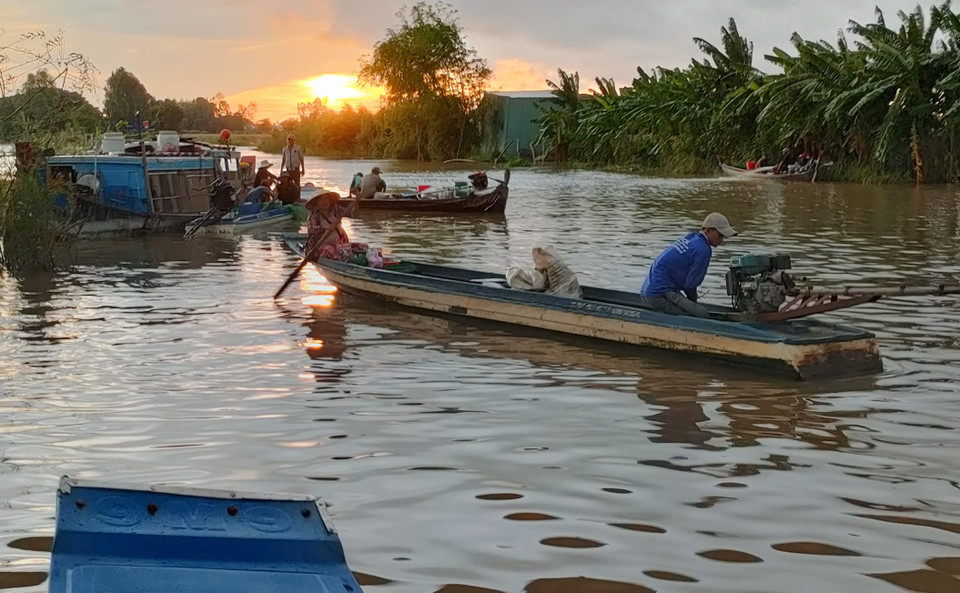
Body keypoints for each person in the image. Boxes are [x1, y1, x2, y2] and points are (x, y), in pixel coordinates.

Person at [639, 212, 738, 318]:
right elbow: (690, 285)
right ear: (708, 230)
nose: (721, 240)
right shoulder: (703, 250)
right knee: (702, 315)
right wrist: (694, 304)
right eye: (720, 235)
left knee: (692, 309)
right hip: (659, 294)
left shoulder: (691, 237)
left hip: (646, 289)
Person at [305, 190, 361, 261]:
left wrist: (356, 202)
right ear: (316, 202)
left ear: (330, 200)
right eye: (321, 200)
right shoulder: (314, 215)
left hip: (339, 243)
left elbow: (351, 214)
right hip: (320, 245)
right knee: (330, 250)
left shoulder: (335, 209)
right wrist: (325, 228)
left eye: (326, 199)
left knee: (361, 247)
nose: (324, 202)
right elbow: (312, 230)